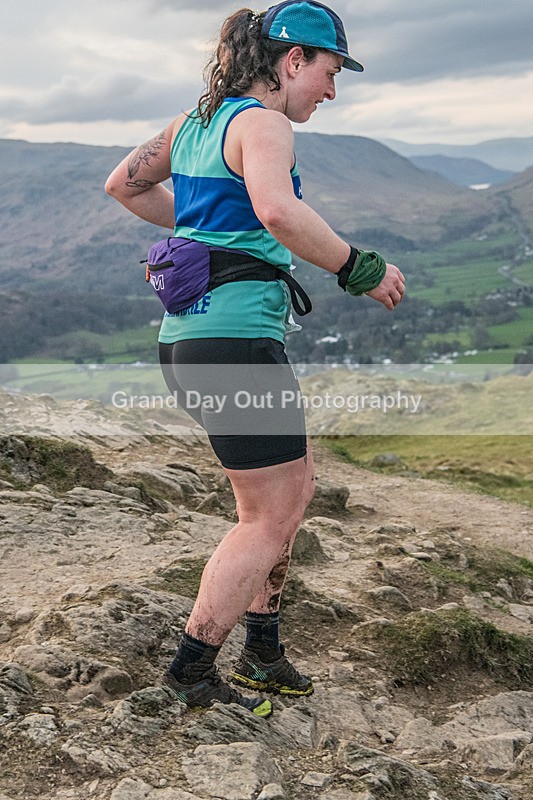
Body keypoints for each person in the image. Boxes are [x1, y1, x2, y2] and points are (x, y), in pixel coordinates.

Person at [105, 0, 405, 718]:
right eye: (329, 73)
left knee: (292, 489)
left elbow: (124, 184)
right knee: (263, 518)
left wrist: (211, 228)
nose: (330, 92)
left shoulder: (195, 122)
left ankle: (263, 650)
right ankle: (191, 669)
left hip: (191, 341)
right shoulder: (263, 123)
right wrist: (358, 267)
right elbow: (277, 211)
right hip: (233, 344)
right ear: (292, 60)